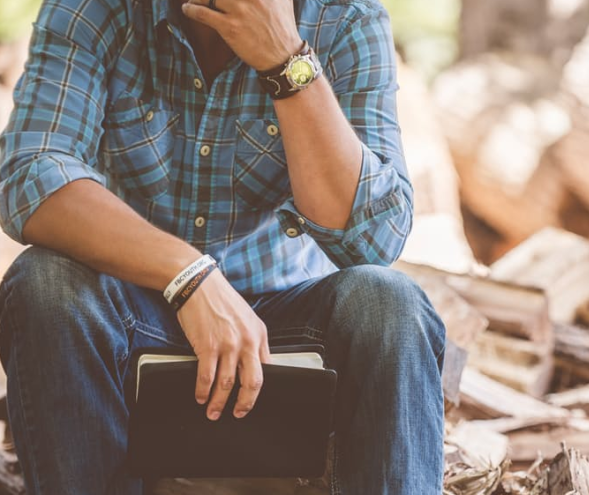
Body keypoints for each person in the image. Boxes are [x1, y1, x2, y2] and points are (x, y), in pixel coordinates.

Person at [0, 0, 446, 493]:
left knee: (391, 305)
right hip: (132, 323)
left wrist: (286, 62)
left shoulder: (347, 17)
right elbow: (31, 175)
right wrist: (187, 276)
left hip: (285, 344)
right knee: (44, 281)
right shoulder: (93, 8)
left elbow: (375, 238)